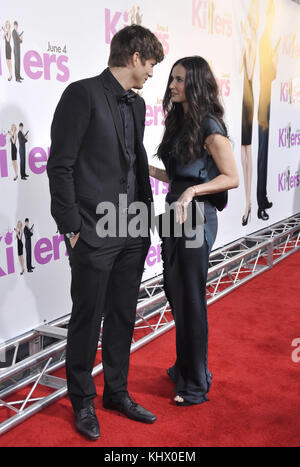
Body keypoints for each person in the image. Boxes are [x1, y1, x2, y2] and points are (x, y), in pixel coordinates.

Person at [47, 24, 164, 440]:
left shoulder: (135, 104)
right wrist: (72, 229)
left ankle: (117, 391)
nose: (152, 72)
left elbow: (133, 162)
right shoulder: (81, 94)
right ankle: (82, 400)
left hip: (131, 228)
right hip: (93, 231)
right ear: (135, 56)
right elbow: (59, 166)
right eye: (150, 63)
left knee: (122, 316)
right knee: (86, 319)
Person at [149, 56, 239, 406]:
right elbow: (180, 175)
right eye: (172, 78)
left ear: (197, 83)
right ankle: (185, 365)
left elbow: (231, 177)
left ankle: (196, 383)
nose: (172, 85)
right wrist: (146, 169)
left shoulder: (209, 126)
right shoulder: (179, 123)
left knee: (190, 298)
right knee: (175, 292)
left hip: (195, 216)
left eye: (180, 79)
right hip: (174, 211)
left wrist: (192, 191)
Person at [256, 0, 279, 221]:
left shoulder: (266, 42)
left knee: (264, 154)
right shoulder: (263, 40)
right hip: (262, 101)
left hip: (266, 99)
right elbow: (268, 74)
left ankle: (262, 200)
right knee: (262, 154)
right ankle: (260, 203)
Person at [240, 0, 259, 226]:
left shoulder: (253, 44)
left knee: (247, 150)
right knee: (244, 152)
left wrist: (249, 42)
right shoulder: (246, 43)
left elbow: (250, 69)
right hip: (242, 97)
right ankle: (247, 202)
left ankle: (248, 201)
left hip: (249, 98)